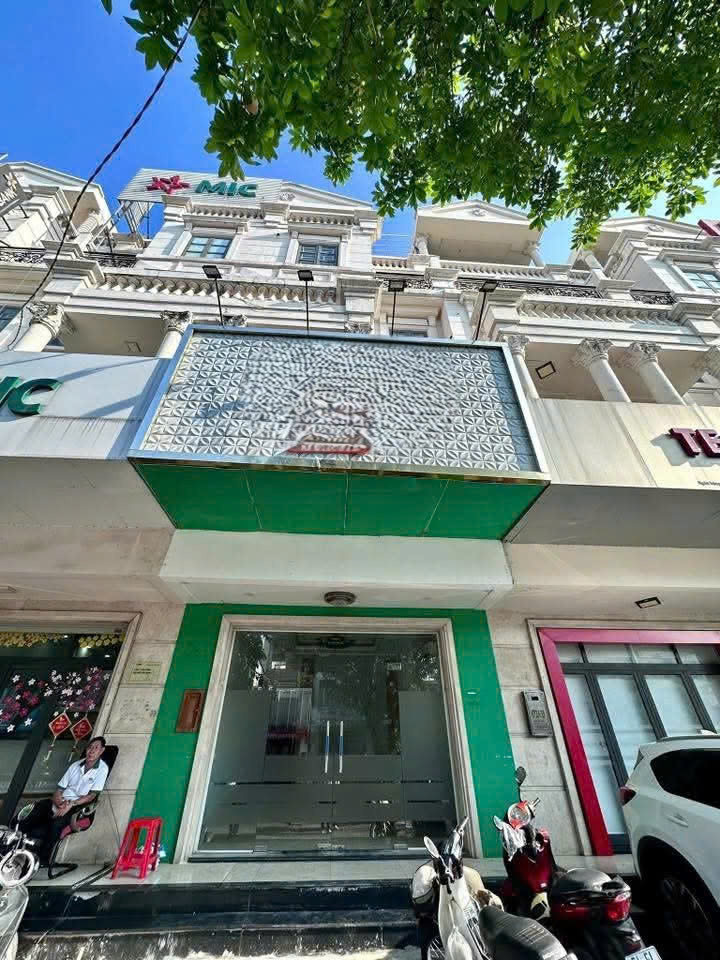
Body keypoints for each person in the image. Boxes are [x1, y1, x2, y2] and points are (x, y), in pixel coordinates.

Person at [20, 736, 109, 865]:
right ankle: (16, 846)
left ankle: (43, 859)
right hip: (62, 801)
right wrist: (59, 802)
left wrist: (71, 804)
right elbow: (59, 789)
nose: (91, 751)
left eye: (96, 748)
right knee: (35, 809)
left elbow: (92, 795)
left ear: (101, 751)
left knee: (57, 823)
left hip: (78, 805)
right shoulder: (75, 765)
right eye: (90, 747)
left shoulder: (102, 769)